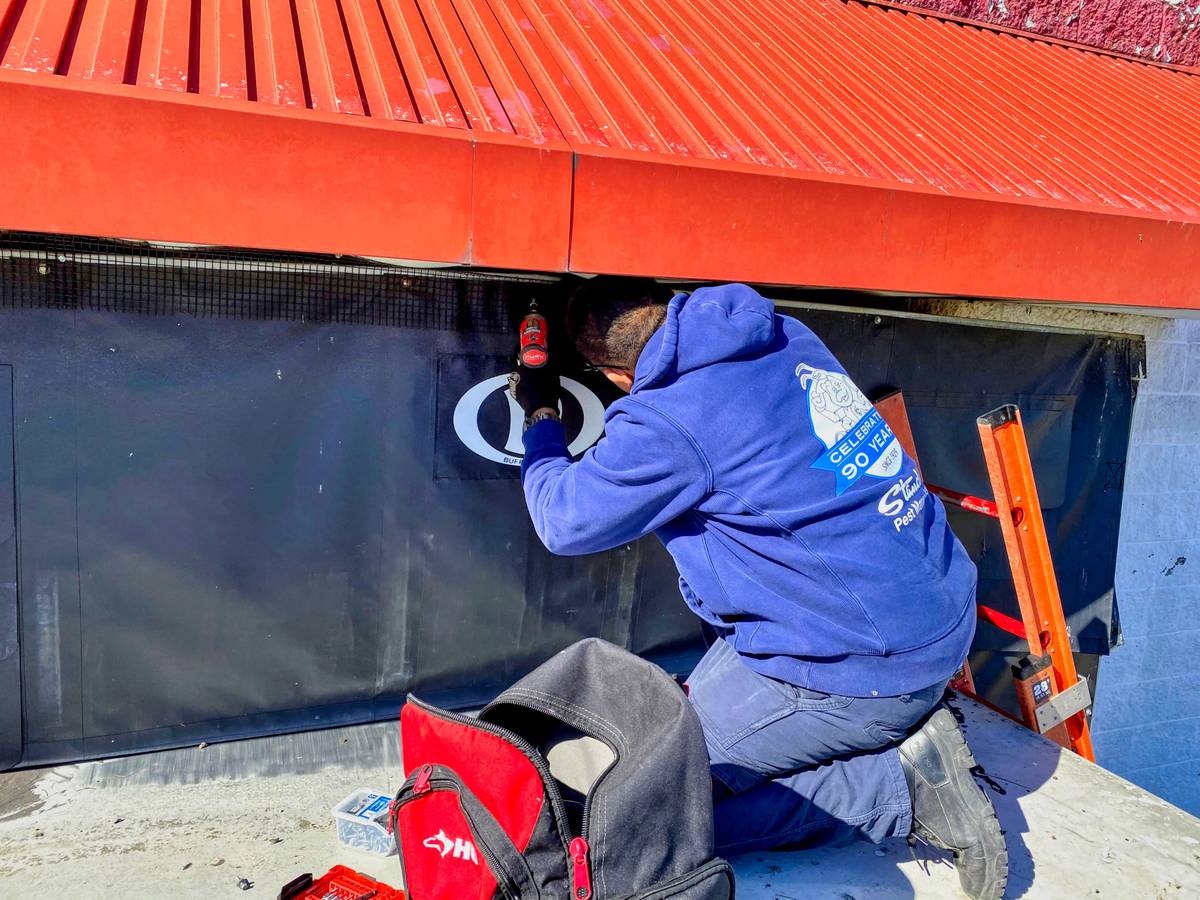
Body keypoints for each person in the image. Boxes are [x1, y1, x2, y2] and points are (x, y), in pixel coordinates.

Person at [509, 279, 1007, 900]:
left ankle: (895, 789)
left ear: (615, 377)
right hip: (932, 606)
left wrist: (540, 415)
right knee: (670, 740)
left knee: (649, 813)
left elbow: (562, 519)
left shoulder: (671, 419)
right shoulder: (780, 334)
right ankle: (893, 734)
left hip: (863, 661)